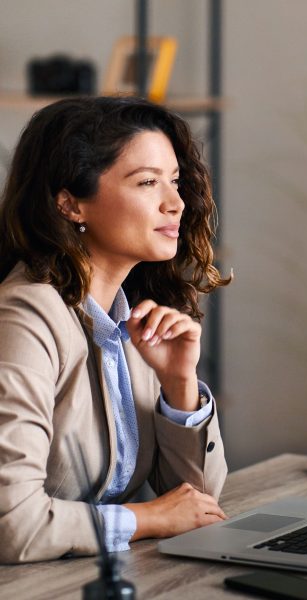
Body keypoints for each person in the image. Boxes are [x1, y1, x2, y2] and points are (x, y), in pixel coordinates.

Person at [0, 96, 231, 563]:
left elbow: (198, 504)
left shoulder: (131, 316)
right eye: (148, 182)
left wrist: (178, 385)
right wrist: (147, 519)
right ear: (70, 204)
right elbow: (12, 525)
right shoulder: (26, 317)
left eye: (175, 181)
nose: (175, 203)